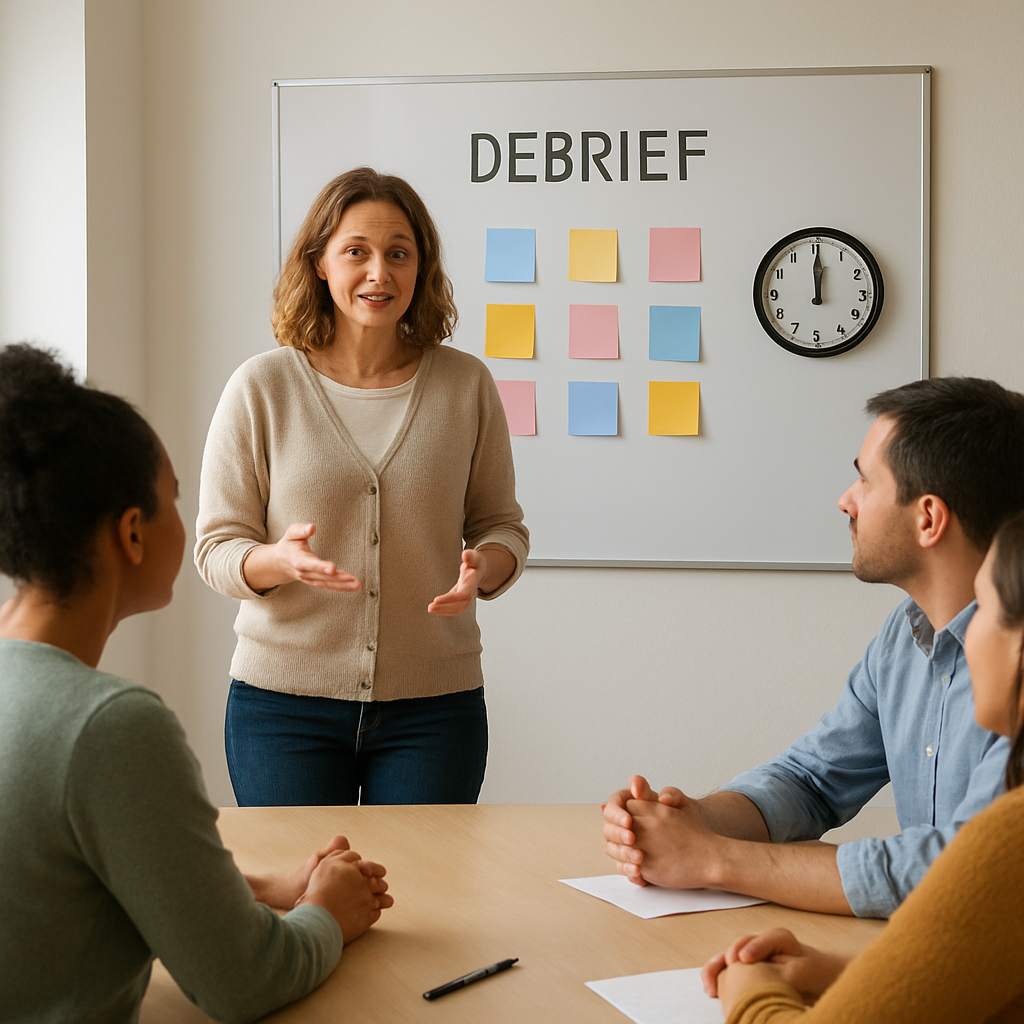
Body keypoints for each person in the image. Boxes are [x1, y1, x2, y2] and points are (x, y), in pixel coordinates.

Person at [0, 344, 393, 1023]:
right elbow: (244, 979)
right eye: (173, 499)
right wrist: (327, 912)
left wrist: (267, 887)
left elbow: (85, 869)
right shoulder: (111, 726)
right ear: (132, 533)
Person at [603, 377, 1024, 918]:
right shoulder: (904, 635)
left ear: (928, 518)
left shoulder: (1013, 668)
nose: (845, 500)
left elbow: (955, 871)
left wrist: (713, 859)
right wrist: (687, 821)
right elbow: (812, 779)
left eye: (864, 481)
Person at [195, 167, 529, 807]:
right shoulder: (262, 388)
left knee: (424, 899)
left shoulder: (465, 387)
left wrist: (482, 566)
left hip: (434, 708)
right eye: (357, 252)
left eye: (398, 254)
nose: (379, 274)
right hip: (281, 707)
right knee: (300, 901)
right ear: (320, 263)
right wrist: (277, 560)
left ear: (420, 268)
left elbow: (502, 526)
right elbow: (215, 548)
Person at [702, 507, 1024, 1023]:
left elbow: (950, 877)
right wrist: (853, 974)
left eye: (983, 605)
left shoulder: (1011, 834)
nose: (964, 631)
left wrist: (750, 991)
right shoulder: (901, 637)